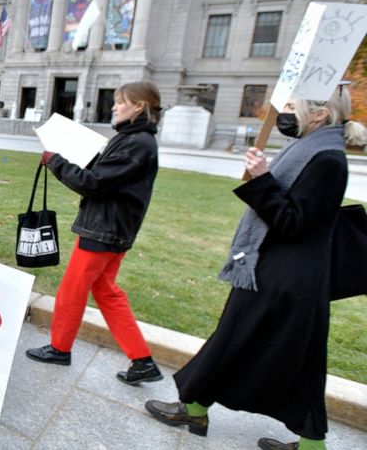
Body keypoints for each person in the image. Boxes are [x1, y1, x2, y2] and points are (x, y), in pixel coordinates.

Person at [146, 87, 355, 450]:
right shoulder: (314, 148)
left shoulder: (327, 159)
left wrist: (262, 178)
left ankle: (195, 408)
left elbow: (292, 221)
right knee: (287, 354)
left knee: (238, 340)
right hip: (285, 273)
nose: (283, 113)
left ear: (319, 115)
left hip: (283, 276)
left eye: (292, 107)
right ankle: (306, 443)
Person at [26, 81, 164, 385]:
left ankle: (60, 348)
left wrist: (55, 160)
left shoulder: (137, 142)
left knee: (72, 290)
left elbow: (94, 182)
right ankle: (141, 361)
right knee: (107, 293)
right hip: (112, 229)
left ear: (139, 106)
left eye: (120, 101)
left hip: (103, 230)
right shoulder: (133, 139)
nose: (114, 106)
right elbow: (105, 176)